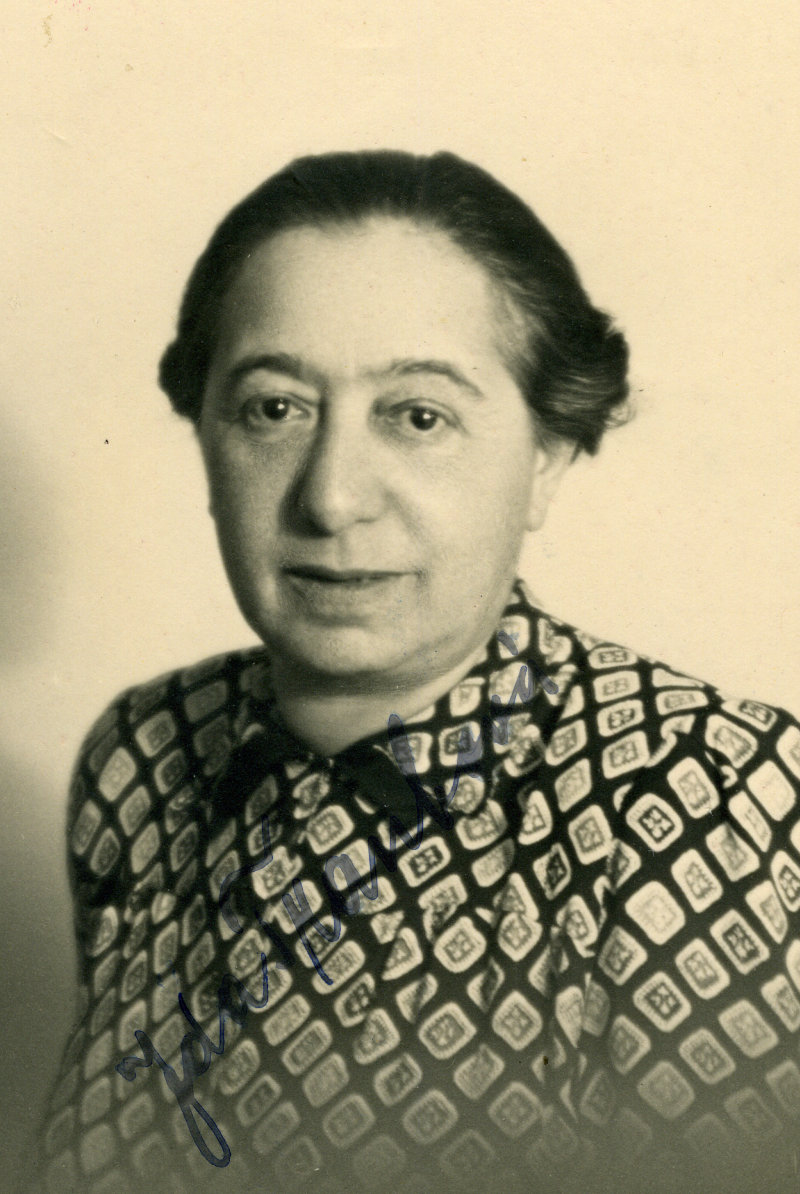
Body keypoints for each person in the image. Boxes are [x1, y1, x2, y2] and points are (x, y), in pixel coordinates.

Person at [29, 151, 800, 1194]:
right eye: (273, 408)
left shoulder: (700, 789)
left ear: (546, 457)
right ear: (205, 434)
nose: (332, 497)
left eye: (418, 416)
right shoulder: (142, 756)